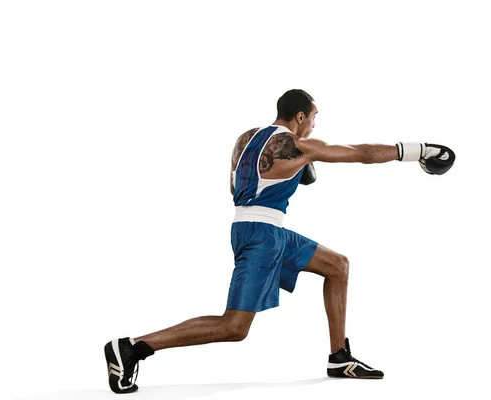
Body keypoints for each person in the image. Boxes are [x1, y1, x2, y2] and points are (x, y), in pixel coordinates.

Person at [104, 89, 455, 393]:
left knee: (338, 266)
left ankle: (339, 357)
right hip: (262, 238)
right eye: (314, 118)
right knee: (234, 327)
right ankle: (133, 348)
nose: (315, 126)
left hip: (258, 229)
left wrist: (296, 170)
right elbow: (360, 153)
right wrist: (417, 149)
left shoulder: (245, 139)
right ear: (300, 117)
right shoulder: (298, 145)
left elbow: (235, 187)